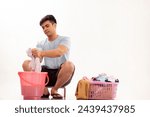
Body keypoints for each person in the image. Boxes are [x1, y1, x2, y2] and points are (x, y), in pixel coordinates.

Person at [22, 15, 75, 99]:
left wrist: (41, 53)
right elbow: (39, 60)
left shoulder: (65, 39)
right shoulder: (41, 43)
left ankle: (54, 90)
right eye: (43, 28)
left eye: (47, 26)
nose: (45, 29)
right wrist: (34, 56)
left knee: (69, 65)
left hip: (61, 74)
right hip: (46, 75)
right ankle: (44, 90)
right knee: (25, 63)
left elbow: (59, 52)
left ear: (54, 25)